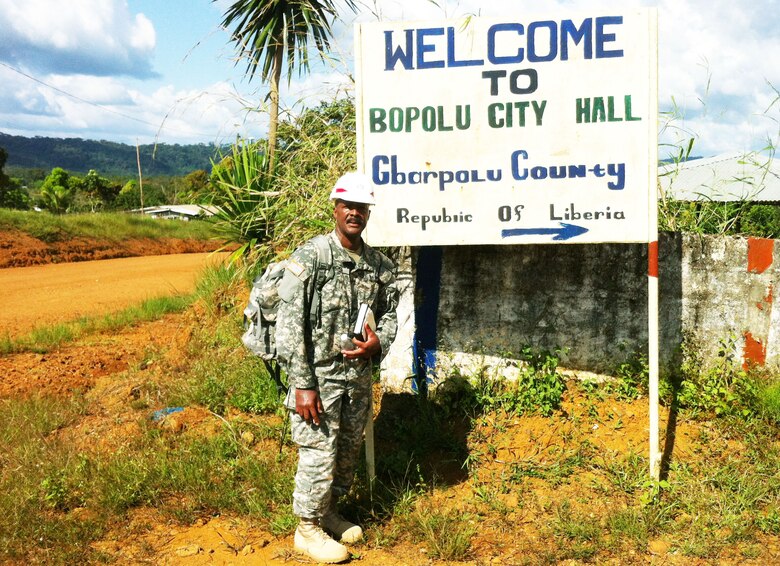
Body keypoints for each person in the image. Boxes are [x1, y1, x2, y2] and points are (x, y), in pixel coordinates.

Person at [275, 172, 399, 564]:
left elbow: (392, 314)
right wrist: (302, 385)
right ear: (335, 208)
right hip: (317, 381)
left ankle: (328, 511)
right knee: (317, 453)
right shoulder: (311, 257)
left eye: (362, 207)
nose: (355, 213)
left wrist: (380, 341)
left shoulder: (379, 265)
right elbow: (290, 325)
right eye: (348, 206)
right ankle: (306, 528)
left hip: (356, 382)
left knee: (345, 452)